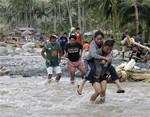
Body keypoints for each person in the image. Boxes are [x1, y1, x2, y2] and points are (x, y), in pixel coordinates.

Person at [77, 30, 125, 95]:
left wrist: (106, 59)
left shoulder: (105, 43)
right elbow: (93, 55)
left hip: (100, 59)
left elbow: (110, 52)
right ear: (94, 38)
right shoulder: (92, 44)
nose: (99, 41)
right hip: (90, 59)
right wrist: (104, 58)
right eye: (98, 39)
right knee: (92, 70)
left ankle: (119, 87)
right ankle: (81, 86)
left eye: (101, 39)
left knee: (112, 68)